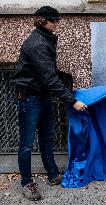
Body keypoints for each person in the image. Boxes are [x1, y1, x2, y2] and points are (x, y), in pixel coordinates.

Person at [12, 6, 87, 201]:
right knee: (26, 144)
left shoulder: (45, 38)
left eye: (57, 20)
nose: (57, 23)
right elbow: (50, 79)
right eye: (53, 20)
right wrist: (72, 101)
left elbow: (48, 79)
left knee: (47, 137)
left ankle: (53, 174)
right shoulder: (37, 43)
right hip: (29, 97)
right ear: (41, 20)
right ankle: (27, 183)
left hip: (42, 95)